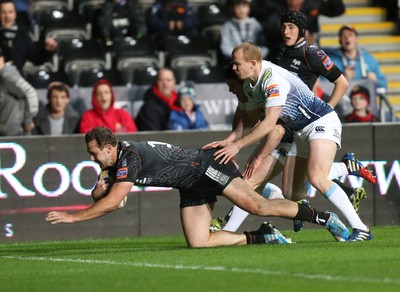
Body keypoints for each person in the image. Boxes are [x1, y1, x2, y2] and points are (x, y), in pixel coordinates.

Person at [45, 126, 352, 247]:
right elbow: (107, 197)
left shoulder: (130, 157)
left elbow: (114, 203)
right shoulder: (116, 163)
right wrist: (97, 191)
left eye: (93, 151)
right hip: (190, 185)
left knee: (257, 205)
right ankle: (262, 236)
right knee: (198, 243)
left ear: (109, 148)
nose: (91, 156)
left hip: (207, 168)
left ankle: (325, 219)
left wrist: (74, 217)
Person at [211, 42, 372, 241]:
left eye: (236, 64)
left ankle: (360, 228)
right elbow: (250, 120)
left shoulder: (272, 81)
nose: (233, 68)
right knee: (293, 193)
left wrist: (238, 147)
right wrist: (228, 142)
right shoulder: (250, 84)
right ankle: (342, 176)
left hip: (320, 122)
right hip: (298, 133)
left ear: (252, 63)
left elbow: (270, 123)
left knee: (317, 177)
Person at [327, 25, 387, 95]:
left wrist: (375, 80)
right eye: (343, 36)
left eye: (350, 35)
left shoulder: (369, 59)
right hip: (341, 103)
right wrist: (342, 79)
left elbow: (384, 85)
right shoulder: (331, 61)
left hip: (365, 103)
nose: (347, 38)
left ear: (357, 39)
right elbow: (324, 88)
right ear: (340, 41)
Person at [0, 0, 58, 74]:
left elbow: (36, 58)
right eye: (3, 12)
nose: (7, 16)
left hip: (17, 81)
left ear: (15, 14)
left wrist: (47, 51)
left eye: (10, 12)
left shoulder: (22, 35)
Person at [0, 46, 38, 136]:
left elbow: (30, 92)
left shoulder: (7, 76)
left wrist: (28, 120)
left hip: (17, 132)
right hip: (5, 131)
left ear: (1, 59)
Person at [219, 0, 268, 64]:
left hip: (253, 61)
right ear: (232, 8)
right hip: (234, 62)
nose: (241, 9)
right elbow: (225, 46)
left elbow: (263, 46)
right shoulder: (227, 26)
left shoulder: (255, 24)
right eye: (237, 7)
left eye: (244, 6)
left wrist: (255, 56)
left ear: (249, 7)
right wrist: (238, 57)